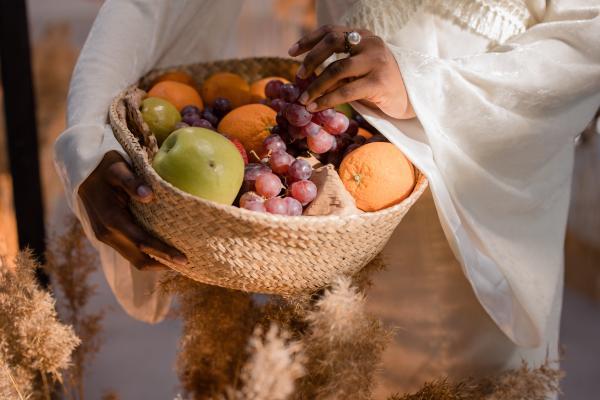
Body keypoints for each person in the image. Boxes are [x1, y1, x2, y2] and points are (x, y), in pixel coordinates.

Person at [54, 0, 600, 396]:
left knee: (474, 379)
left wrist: (422, 85)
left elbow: (588, 38)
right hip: (329, 210)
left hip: (483, 221)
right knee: (341, 371)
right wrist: (87, 139)